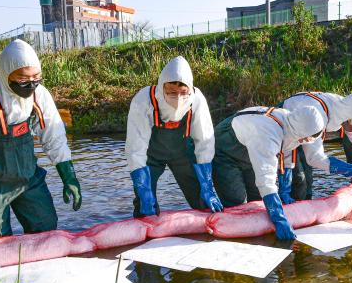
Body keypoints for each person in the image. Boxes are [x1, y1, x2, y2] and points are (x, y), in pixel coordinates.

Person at [0, 39, 81, 249]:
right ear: (5, 73)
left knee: (46, 230)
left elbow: (54, 136)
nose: (31, 84)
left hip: (28, 177)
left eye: (36, 77)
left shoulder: (39, 95)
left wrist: (69, 176)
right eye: (22, 78)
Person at [126, 56, 222, 217]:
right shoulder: (144, 100)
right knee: (144, 205)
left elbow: (204, 142)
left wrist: (208, 186)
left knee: (203, 202)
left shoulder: (197, 100)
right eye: (171, 92)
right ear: (162, 86)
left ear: (190, 89)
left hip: (182, 155)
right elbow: (136, 149)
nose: (177, 98)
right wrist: (144, 191)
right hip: (150, 157)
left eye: (183, 92)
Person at [212, 105, 325, 240]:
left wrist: (284, 191)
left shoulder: (292, 124)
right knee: (237, 202)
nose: (306, 141)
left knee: (256, 201)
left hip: (250, 149)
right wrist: (279, 219)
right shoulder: (267, 136)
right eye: (306, 138)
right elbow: (266, 181)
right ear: (299, 131)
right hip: (226, 149)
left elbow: (288, 151)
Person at [280, 91, 352, 201]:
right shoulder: (317, 116)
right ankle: (286, 208)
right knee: (299, 180)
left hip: (306, 131)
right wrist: (348, 169)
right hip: (289, 129)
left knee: (308, 182)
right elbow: (315, 158)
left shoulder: (347, 109)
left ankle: (305, 206)